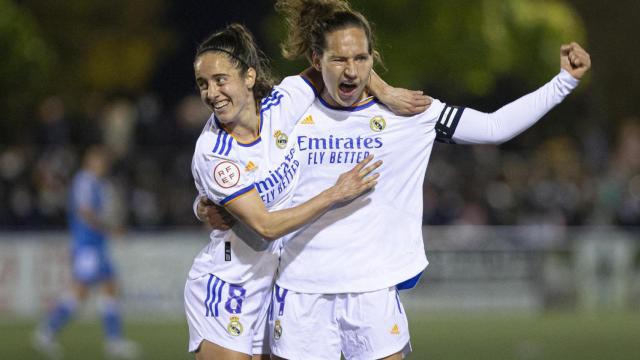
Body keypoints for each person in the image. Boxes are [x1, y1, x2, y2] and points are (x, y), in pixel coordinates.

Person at [202, 1, 591, 358]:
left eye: (360, 58)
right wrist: (208, 203)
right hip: (300, 291)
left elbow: (494, 127)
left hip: (373, 290)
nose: (351, 70)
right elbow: (237, 154)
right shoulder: (287, 106)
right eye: (338, 59)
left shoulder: (412, 115)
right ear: (316, 59)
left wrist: (563, 82)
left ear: (373, 59)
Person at [185, 23, 427, 360]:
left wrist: (383, 90)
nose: (212, 93)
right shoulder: (215, 153)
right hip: (231, 284)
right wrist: (334, 193)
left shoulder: (282, 107)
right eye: (203, 84)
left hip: (274, 284)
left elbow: (334, 67)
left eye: (220, 80)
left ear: (249, 78)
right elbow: (266, 226)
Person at [32, 145, 140, 360]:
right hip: (87, 245)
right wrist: (110, 228)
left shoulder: (97, 183)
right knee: (79, 291)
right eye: (100, 161)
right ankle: (46, 331)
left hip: (97, 244)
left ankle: (114, 341)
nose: (104, 165)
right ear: (90, 161)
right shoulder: (85, 180)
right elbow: (85, 211)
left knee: (110, 287)